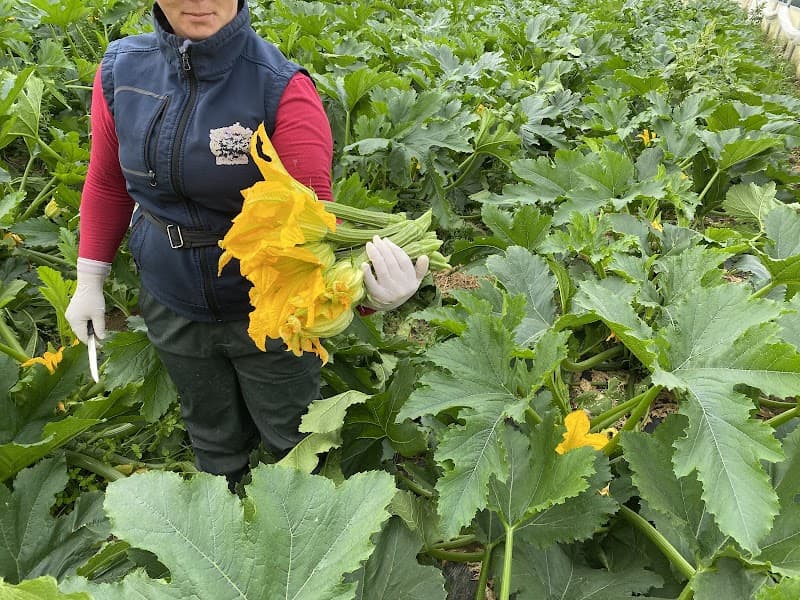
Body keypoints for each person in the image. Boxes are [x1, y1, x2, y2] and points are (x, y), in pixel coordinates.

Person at [64, 0, 429, 486]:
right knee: (210, 434)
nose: (198, 2)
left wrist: (369, 299)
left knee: (293, 440)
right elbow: (108, 182)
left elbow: (313, 234)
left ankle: (302, 531)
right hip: (169, 297)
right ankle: (222, 509)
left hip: (270, 308)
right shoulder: (121, 71)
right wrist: (89, 278)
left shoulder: (282, 89)